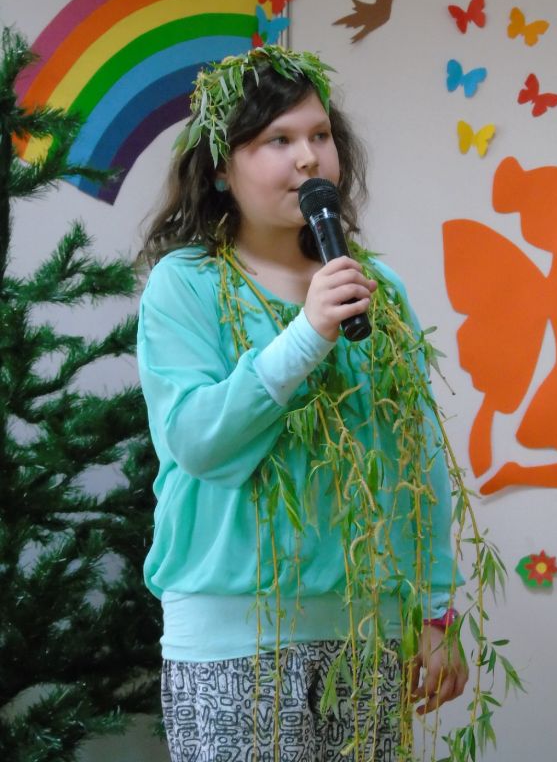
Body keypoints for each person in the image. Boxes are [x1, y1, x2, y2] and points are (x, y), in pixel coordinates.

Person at [137, 45, 468, 762]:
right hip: (232, 636)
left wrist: (435, 609)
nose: (308, 158)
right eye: (277, 140)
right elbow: (196, 443)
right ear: (220, 168)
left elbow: (416, 458)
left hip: (366, 627)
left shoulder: (374, 288)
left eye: (319, 135)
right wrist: (306, 335)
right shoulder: (185, 285)